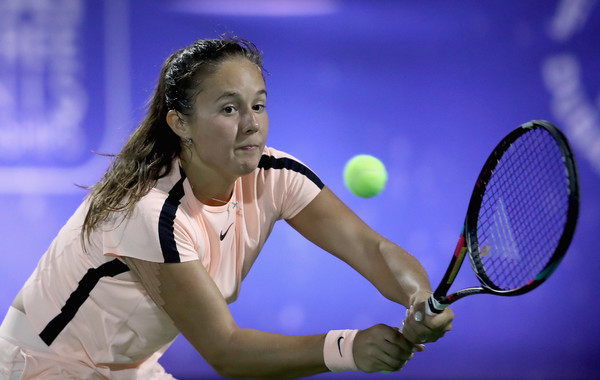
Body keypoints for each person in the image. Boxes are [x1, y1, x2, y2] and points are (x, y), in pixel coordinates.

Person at [0, 36, 453, 379]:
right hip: (40, 365)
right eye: (229, 109)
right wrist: (346, 348)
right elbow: (226, 349)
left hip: (126, 368)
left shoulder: (277, 176)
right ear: (180, 123)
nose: (252, 124)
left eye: (258, 105)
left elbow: (371, 249)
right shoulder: (149, 211)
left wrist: (418, 298)